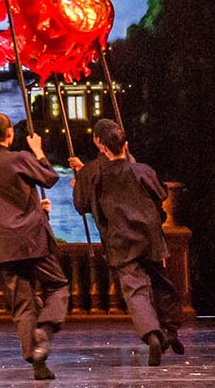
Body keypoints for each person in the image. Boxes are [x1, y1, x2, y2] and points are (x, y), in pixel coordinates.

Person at [71, 117, 185, 365]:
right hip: (149, 237)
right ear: (125, 145)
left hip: (120, 239)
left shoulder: (94, 174)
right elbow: (160, 195)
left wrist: (79, 182)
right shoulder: (142, 170)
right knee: (160, 283)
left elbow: (81, 205)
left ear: (100, 145)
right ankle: (170, 329)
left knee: (135, 290)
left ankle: (152, 334)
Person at [0, 110, 66, 380]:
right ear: (10, 133)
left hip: (3, 244)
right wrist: (38, 151)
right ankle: (45, 328)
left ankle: (35, 356)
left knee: (22, 304)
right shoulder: (20, 158)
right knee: (58, 285)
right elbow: (49, 177)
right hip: (30, 239)